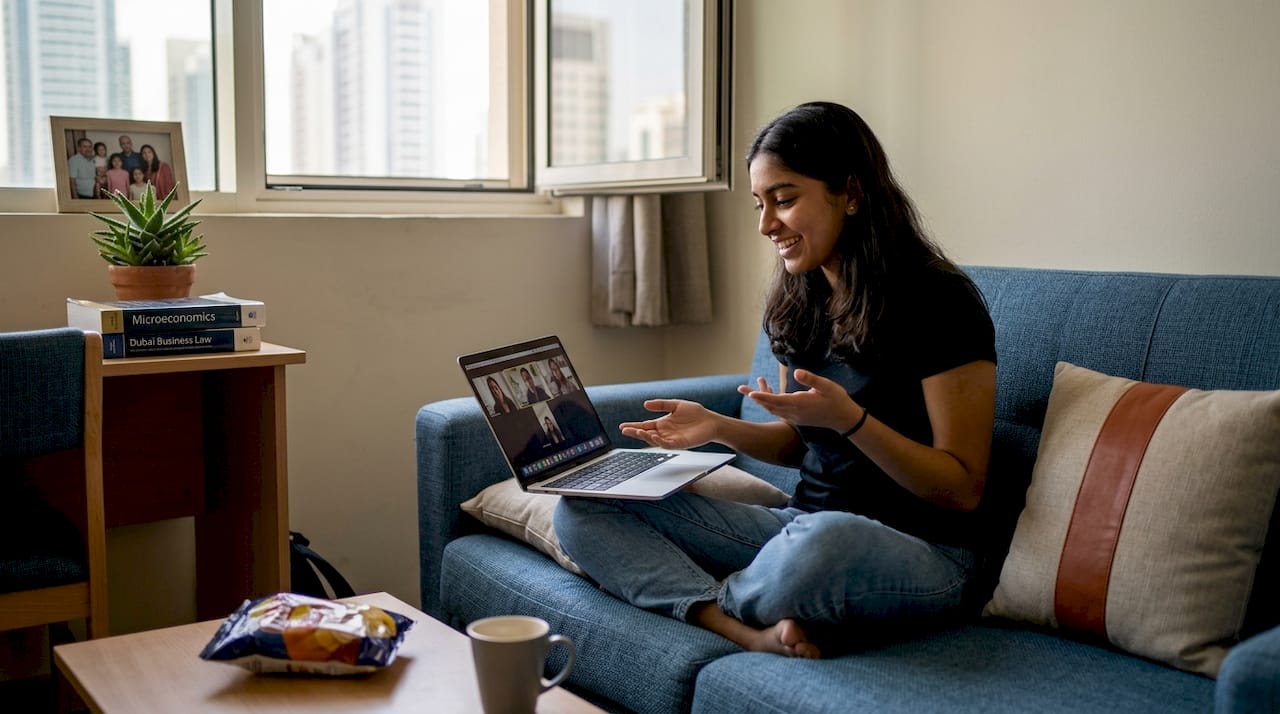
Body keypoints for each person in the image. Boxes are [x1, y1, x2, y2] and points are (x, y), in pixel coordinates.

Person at [554, 101, 997, 660]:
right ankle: (736, 623)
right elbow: (794, 445)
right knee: (582, 506)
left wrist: (852, 421)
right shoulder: (801, 299)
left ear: (851, 192)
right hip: (796, 528)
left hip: (921, 552)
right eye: (760, 204)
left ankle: (727, 596)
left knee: (823, 543)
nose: (766, 226)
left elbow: (962, 490)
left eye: (784, 200)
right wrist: (717, 427)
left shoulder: (940, 301)